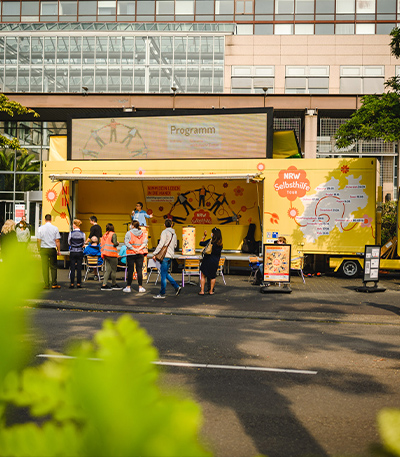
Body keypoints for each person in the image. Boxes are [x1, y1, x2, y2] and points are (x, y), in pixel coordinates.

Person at [152, 219, 181, 299]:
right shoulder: (174, 234)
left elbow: (161, 244)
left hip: (164, 256)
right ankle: (176, 286)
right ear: (171, 225)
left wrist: (154, 253)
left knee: (163, 275)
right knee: (164, 273)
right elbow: (175, 245)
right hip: (171, 255)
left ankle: (162, 293)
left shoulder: (164, 232)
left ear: (164, 225)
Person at [123, 220, 148, 293]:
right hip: (140, 253)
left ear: (133, 225)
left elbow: (127, 243)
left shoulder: (129, 233)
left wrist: (134, 249)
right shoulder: (143, 233)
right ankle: (140, 287)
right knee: (139, 270)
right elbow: (145, 242)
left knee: (130, 270)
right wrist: (139, 249)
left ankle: (128, 287)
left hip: (131, 253)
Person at [37, 214, 61, 289]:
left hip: (44, 248)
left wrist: (39, 248)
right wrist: (58, 250)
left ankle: (46, 284)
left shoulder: (40, 228)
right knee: (53, 266)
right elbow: (57, 240)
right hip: (52, 248)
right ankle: (54, 283)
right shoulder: (55, 228)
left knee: (45, 266)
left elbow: (38, 240)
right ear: (51, 219)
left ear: (44, 220)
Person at [199, 227, 223, 295]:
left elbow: (201, 243)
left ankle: (202, 291)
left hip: (207, 260)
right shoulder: (220, 244)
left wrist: (204, 236)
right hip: (215, 261)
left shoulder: (210, 241)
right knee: (213, 276)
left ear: (213, 234)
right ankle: (211, 291)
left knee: (203, 275)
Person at [100, 223, 121, 291]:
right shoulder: (113, 234)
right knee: (114, 270)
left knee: (108, 270)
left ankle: (104, 284)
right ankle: (114, 284)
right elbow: (114, 243)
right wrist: (117, 243)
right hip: (112, 254)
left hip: (105, 253)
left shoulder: (104, 235)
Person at [68, 219, 85, 288]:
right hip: (80, 251)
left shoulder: (71, 233)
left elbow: (69, 242)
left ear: (74, 225)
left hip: (73, 251)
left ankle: (72, 283)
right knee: (79, 268)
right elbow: (83, 243)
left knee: (72, 268)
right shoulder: (83, 234)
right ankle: (78, 283)